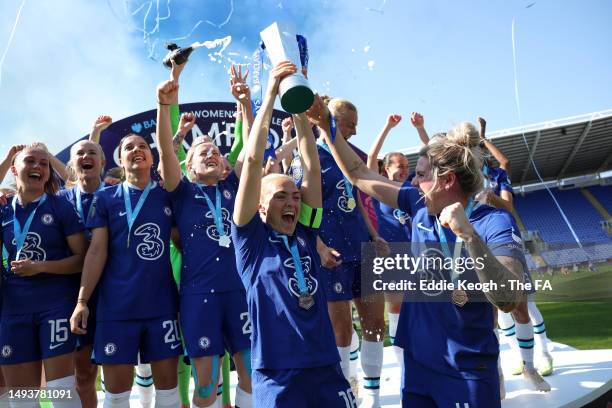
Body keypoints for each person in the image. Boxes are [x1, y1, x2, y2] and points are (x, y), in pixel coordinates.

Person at [316, 105, 535, 406]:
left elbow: (509, 298)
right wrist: (326, 126)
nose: (414, 183)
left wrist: (469, 237)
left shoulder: (492, 222)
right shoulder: (418, 204)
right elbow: (359, 174)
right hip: (418, 368)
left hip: (467, 370)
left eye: (420, 175)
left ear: (446, 181)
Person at [232, 61, 354, 407]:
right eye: (280, 196)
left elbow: (311, 166)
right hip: (276, 374)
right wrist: (270, 93)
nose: (292, 202)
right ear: (259, 205)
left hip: (325, 366)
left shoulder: (305, 230)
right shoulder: (249, 242)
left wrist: (299, 109)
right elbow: (254, 161)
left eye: (295, 197)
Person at [154, 66, 252, 408]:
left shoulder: (232, 186)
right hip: (198, 296)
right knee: (207, 386)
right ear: (189, 167)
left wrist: (246, 104)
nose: (210, 153)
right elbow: (167, 150)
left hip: (241, 291)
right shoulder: (180, 191)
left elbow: (250, 149)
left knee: (253, 375)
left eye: (214, 150)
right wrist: (164, 107)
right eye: (201, 152)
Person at [70, 131, 181, 407]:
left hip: (161, 307)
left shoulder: (169, 197)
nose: (136, 150)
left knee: (168, 392)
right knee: (117, 396)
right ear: (120, 159)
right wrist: (82, 301)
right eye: (129, 147)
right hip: (117, 308)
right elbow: (96, 251)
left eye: (143, 146)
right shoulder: (106, 198)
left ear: (152, 157)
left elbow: (185, 245)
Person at [289, 96, 388, 406]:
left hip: (362, 246)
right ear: (329, 121)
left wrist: (375, 235)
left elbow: (356, 198)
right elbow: (299, 208)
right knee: (341, 327)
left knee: (375, 321)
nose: (355, 132)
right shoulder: (305, 158)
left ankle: (372, 395)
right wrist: (317, 245)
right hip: (331, 253)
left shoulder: (349, 155)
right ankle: (345, 392)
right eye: (349, 125)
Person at [0, 144, 87, 408]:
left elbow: (82, 260)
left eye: (44, 163)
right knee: (22, 401)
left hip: (55, 306)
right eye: (30, 161)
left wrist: (40, 267)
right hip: (13, 310)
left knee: (61, 392)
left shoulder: (61, 206)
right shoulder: (4, 210)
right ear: (14, 170)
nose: (38, 167)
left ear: (49, 173)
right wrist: (5, 159)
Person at [474, 117, 554, 381]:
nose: (479, 154)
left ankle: (544, 354)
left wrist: (484, 137)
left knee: (525, 303)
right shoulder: (468, 178)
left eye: (480, 150)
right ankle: (519, 357)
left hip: (505, 237)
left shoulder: (497, 175)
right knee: (498, 307)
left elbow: (508, 196)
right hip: (482, 241)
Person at [58, 117, 112, 407]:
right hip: (73, 293)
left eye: (92, 153)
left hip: (115, 293)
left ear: (103, 162)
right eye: (79, 153)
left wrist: (94, 136)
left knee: (120, 372)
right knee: (83, 375)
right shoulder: (60, 201)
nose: (86, 157)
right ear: (70, 165)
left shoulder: (116, 196)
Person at [366, 113, 414, 367]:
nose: (405, 170)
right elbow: (371, 159)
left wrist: (420, 128)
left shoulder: (413, 188)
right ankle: (402, 359)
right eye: (400, 166)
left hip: (416, 254)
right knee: (395, 308)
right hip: (391, 257)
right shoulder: (380, 185)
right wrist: (387, 127)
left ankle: (422, 353)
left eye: (407, 165)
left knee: (421, 308)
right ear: (387, 168)